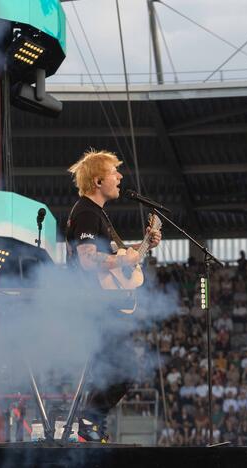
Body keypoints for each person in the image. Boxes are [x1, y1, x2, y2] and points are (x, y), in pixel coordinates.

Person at [65, 149, 161, 442]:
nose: (120, 177)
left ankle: (91, 423)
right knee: (124, 368)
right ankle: (89, 421)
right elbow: (87, 259)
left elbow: (115, 259)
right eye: (113, 173)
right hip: (93, 306)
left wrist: (143, 245)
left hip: (102, 305)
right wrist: (124, 260)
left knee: (123, 368)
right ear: (97, 181)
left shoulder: (97, 214)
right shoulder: (85, 212)